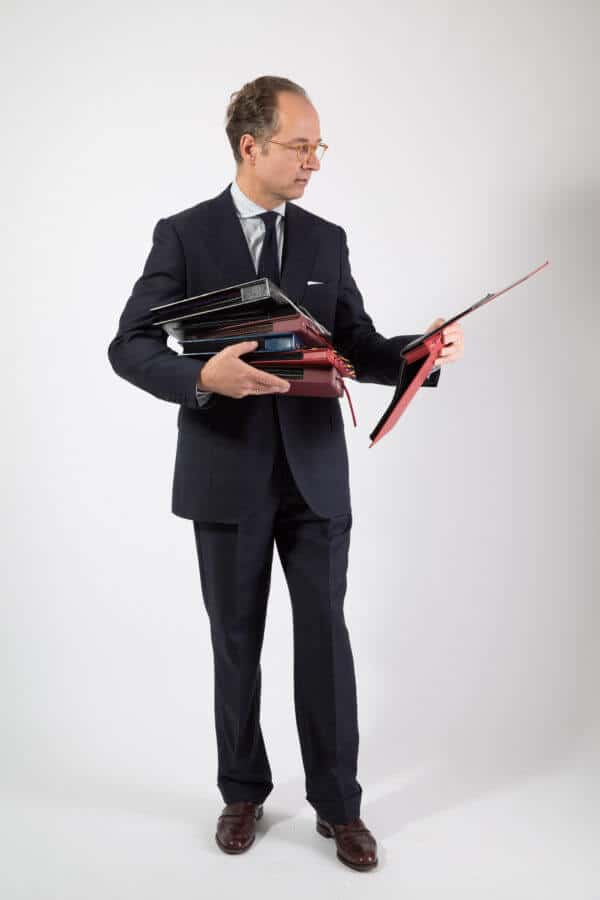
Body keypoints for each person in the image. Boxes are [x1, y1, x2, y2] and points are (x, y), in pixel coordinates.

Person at [108, 75, 465, 872]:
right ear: (251, 146)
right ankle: (242, 790)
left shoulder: (326, 239)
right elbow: (129, 345)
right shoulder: (183, 234)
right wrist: (204, 378)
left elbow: (358, 346)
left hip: (314, 480)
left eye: (318, 147)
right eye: (300, 146)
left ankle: (340, 808)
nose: (314, 161)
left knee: (325, 643)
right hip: (224, 473)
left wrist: (422, 352)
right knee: (236, 643)